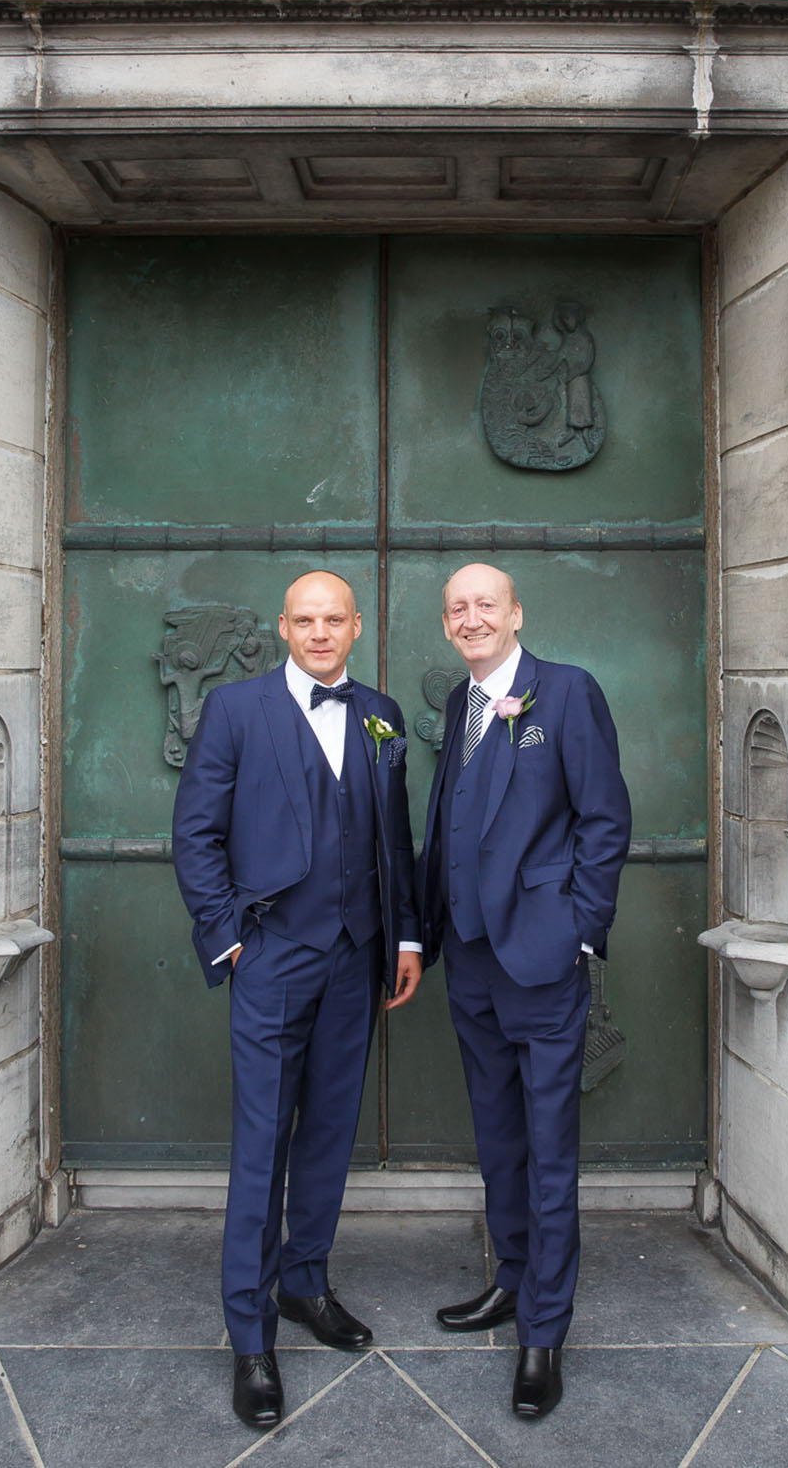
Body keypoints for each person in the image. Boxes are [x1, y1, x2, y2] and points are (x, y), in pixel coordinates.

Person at [173, 570, 421, 1430]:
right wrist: (229, 936)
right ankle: (250, 1331)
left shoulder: (380, 710)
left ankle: (305, 1282)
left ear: (356, 626)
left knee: (328, 1131)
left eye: (334, 620)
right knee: (262, 1139)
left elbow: (396, 834)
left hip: (357, 958)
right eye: (304, 620)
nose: (319, 633)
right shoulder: (237, 711)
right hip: (274, 956)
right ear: (284, 626)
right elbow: (195, 830)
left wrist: (408, 938)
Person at [421, 562, 631, 1419]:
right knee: (499, 1138)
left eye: (486, 605)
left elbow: (606, 818)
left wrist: (579, 927)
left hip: (541, 960)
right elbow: (450, 822)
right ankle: (510, 1281)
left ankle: (544, 1329)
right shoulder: (461, 706)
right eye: (458, 608)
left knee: (549, 1146)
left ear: (516, 613)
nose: (473, 618)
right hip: (469, 960)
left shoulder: (566, 694)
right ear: (447, 625)